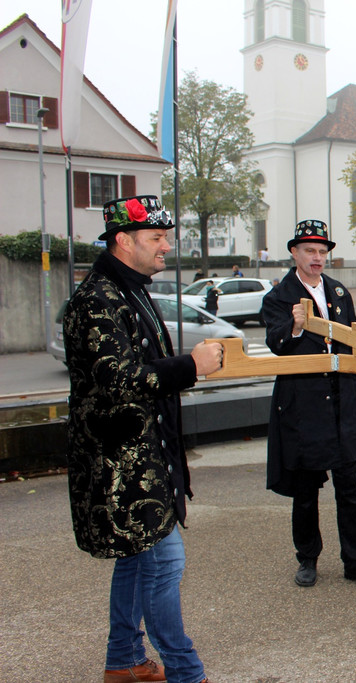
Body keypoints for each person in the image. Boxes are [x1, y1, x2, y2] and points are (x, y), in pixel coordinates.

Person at [63, 195, 222, 683]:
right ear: (123, 241)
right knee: (165, 564)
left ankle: (124, 659)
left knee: (137, 563)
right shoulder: (97, 299)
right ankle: (185, 671)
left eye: (165, 237)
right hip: (121, 466)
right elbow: (118, 379)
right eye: (156, 237)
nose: (166, 247)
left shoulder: (126, 289)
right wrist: (190, 366)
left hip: (142, 459)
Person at [260, 219, 356, 590]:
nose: (317, 258)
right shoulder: (279, 297)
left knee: (349, 488)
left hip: (343, 399)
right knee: (305, 490)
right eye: (309, 251)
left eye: (322, 251)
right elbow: (275, 344)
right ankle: (308, 558)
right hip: (304, 404)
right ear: (294, 253)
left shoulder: (338, 291)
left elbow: (354, 344)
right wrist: (294, 327)